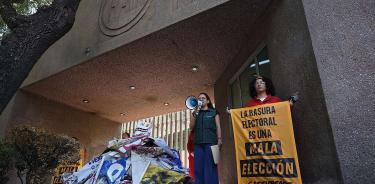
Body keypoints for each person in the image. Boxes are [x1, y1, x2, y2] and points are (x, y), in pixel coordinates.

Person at [190, 93, 221, 184]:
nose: (201, 99)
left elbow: (218, 126)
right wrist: (195, 111)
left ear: (208, 101)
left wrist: (219, 139)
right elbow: (191, 127)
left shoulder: (214, 112)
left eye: (203, 98)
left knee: (210, 168)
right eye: (199, 98)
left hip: (211, 143)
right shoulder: (195, 113)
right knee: (198, 169)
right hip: (198, 144)